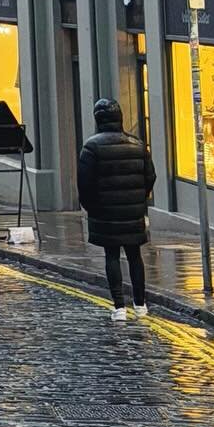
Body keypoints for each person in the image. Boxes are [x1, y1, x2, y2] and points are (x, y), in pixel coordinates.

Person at [77, 97, 156, 321]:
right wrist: (139, 199)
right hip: (132, 211)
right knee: (134, 255)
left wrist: (91, 207)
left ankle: (119, 307)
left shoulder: (91, 147)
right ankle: (140, 305)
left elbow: (84, 184)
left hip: (105, 213)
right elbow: (150, 176)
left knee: (112, 255)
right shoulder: (138, 144)